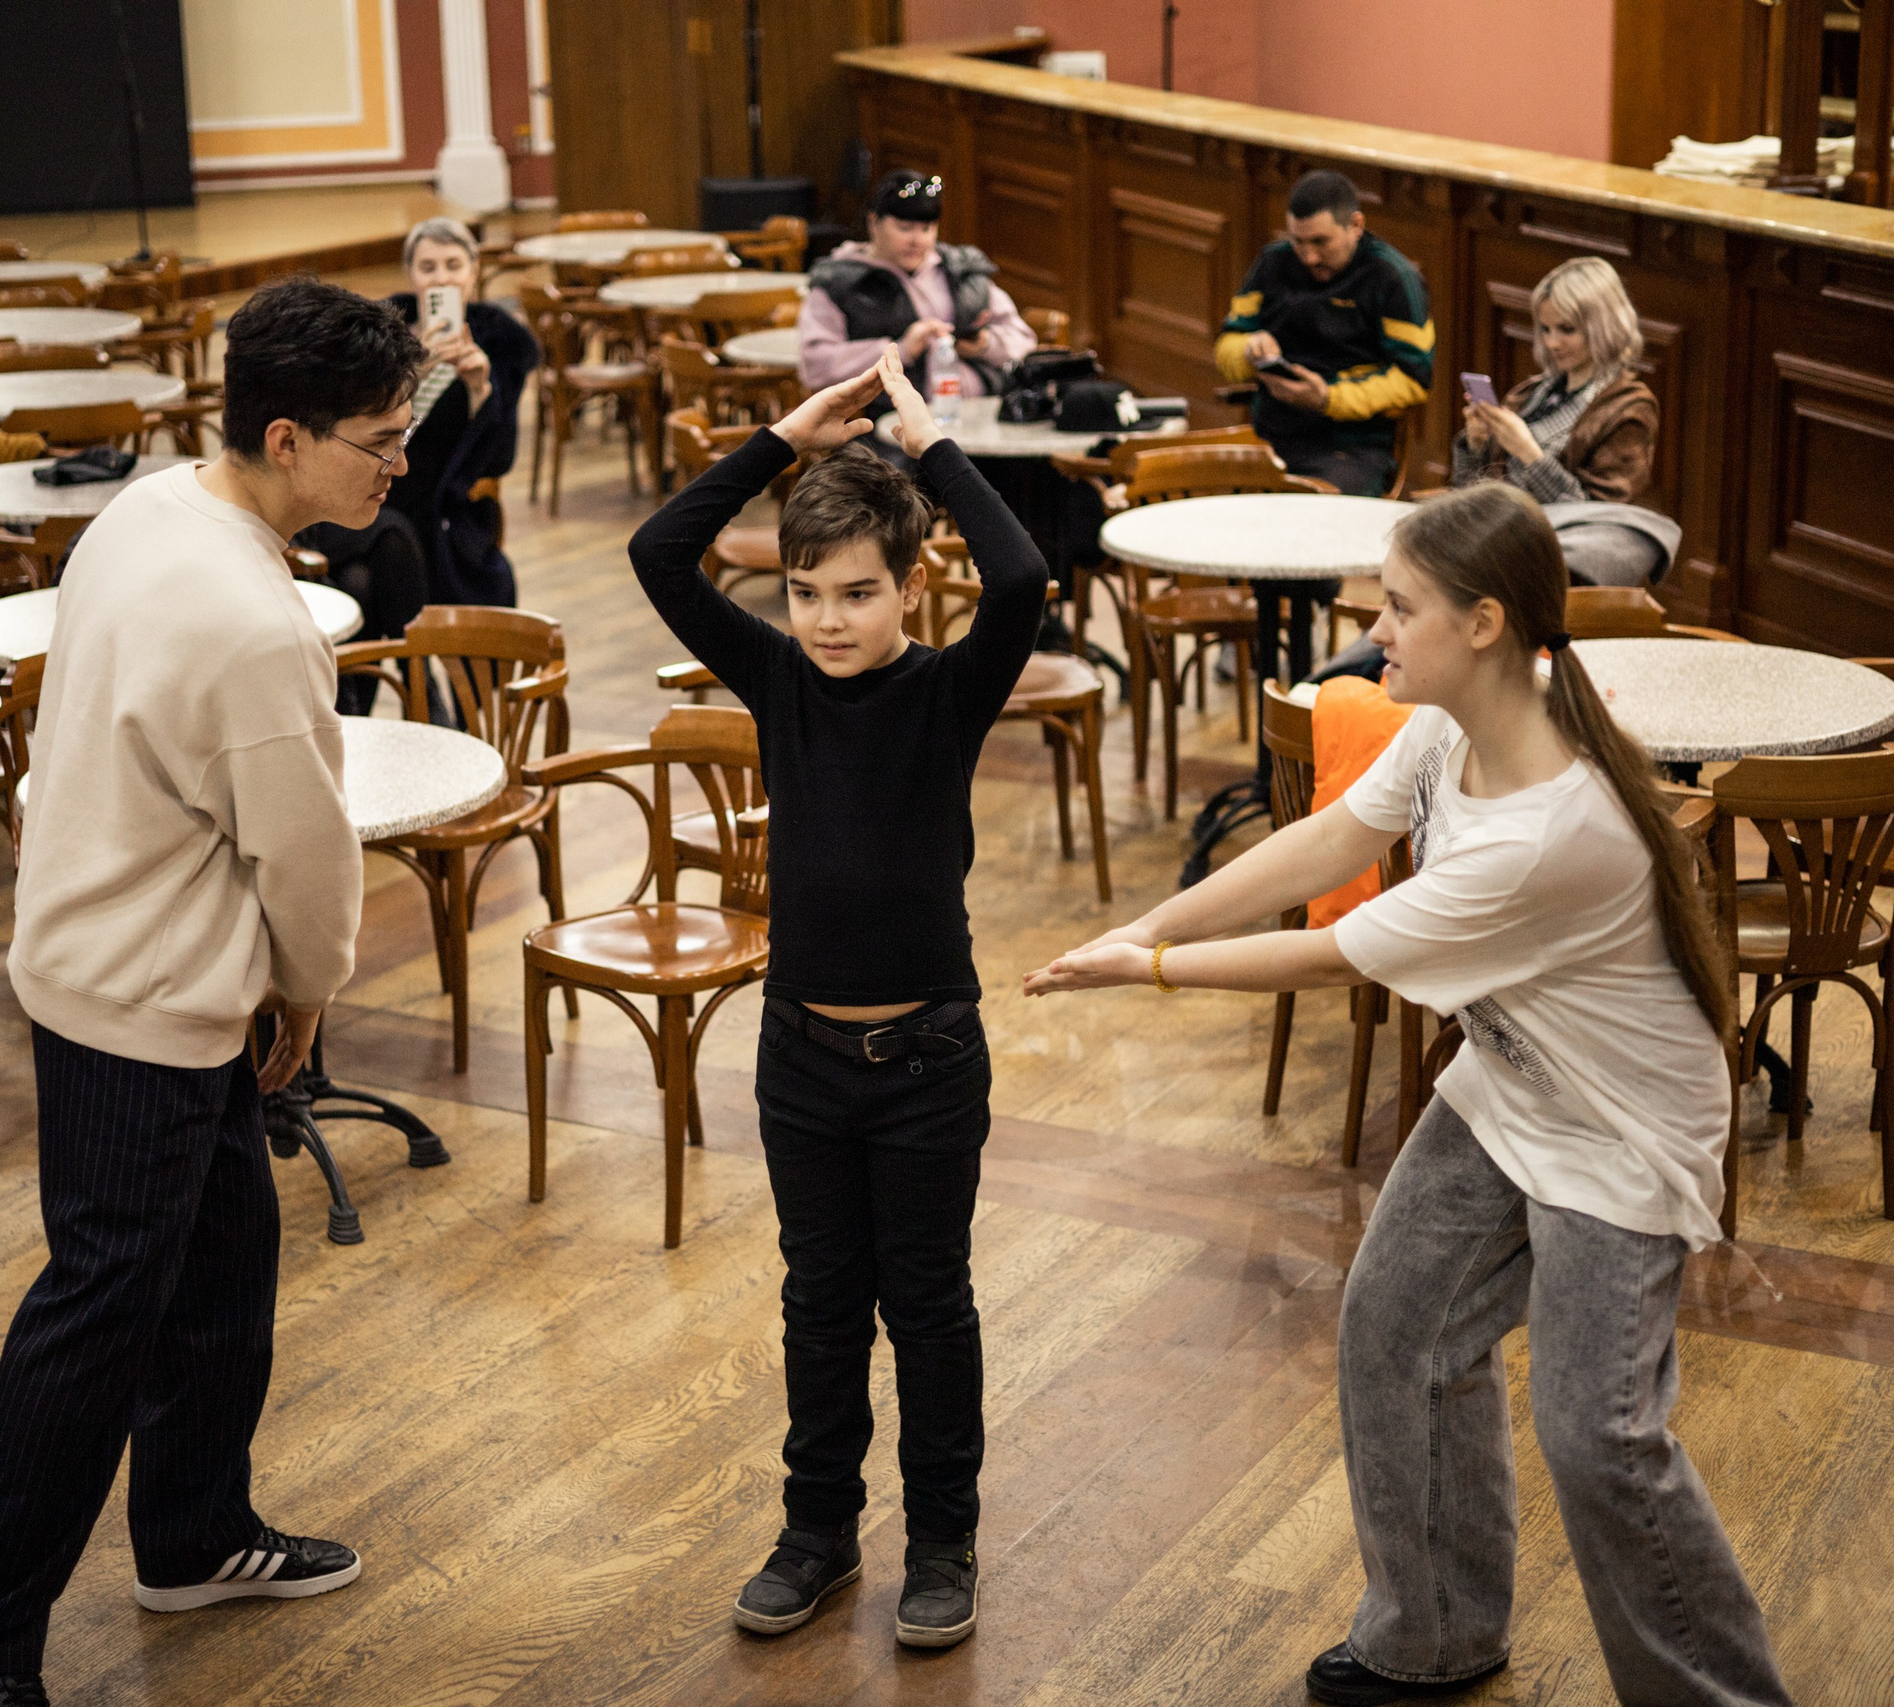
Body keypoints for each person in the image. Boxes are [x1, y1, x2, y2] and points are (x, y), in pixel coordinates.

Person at [1023, 484, 1792, 1707]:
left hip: (1617, 1141)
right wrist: (1150, 921)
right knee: (1396, 1331)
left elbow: (1334, 949)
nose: (1375, 629)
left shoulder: (1544, 833)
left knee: (1601, 1445)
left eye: (1399, 607)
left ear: (1484, 623)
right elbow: (1327, 841)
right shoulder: (1452, 730)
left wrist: (1149, 969)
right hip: (1508, 1087)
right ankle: (1431, 1636)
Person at [0, 277, 427, 1707]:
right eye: (380, 439)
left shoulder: (149, 506)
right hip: (142, 1004)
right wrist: (310, 993)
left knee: (220, 1278)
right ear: (285, 433)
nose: (400, 465)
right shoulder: (258, 625)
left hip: (120, 967)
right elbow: (306, 859)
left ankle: (192, 1538)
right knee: (95, 1320)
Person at [625, 347, 1043, 1651]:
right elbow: (657, 553)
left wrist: (931, 449)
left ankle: (942, 1540)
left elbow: (1024, 576)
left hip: (925, 1059)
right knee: (818, 1301)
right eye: (807, 591)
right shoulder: (781, 678)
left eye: (858, 592)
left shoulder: (948, 689)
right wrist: (780, 442)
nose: (827, 617)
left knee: (926, 1305)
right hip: (801, 1059)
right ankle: (816, 1532)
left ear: (912, 585)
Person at [295, 217, 539, 711]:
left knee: (365, 579)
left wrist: (478, 389)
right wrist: (415, 371)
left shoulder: (500, 347)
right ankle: (422, 698)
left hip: (448, 514)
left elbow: (500, 459)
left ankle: (394, 703)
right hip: (369, 499)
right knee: (383, 542)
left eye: (454, 265)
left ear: (474, 273)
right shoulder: (380, 340)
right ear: (411, 275)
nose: (442, 278)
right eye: (428, 267)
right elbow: (353, 435)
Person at [1453, 255, 1675, 589]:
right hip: (1490, 546)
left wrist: (1530, 455)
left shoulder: (1629, 408)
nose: (1552, 342)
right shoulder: (1531, 394)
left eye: (1566, 329)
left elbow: (1601, 524)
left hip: (1548, 570)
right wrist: (1476, 444)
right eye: (1545, 329)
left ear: (1602, 326)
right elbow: (1467, 491)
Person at [1214, 169, 1435, 497]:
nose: (1309, 257)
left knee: (1310, 514)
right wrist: (1248, 349)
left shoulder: (1392, 277)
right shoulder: (1273, 262)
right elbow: (1226, 345)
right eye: (1298, 241)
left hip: (1352, 447)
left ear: (1356, 226)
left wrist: (1328, 398)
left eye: (1320, 242)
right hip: (1270, 436)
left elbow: (1414, 380)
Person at [798, 170, 1035, 406]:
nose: (917, 240)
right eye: (904, 228)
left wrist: (984, 344)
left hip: (982, 411)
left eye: (927, 229)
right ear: (873, 223)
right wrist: (900, 351)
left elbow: (1024, 341)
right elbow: (815, 365)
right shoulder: (839, 281)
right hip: (888, 424)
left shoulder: (961, 271)